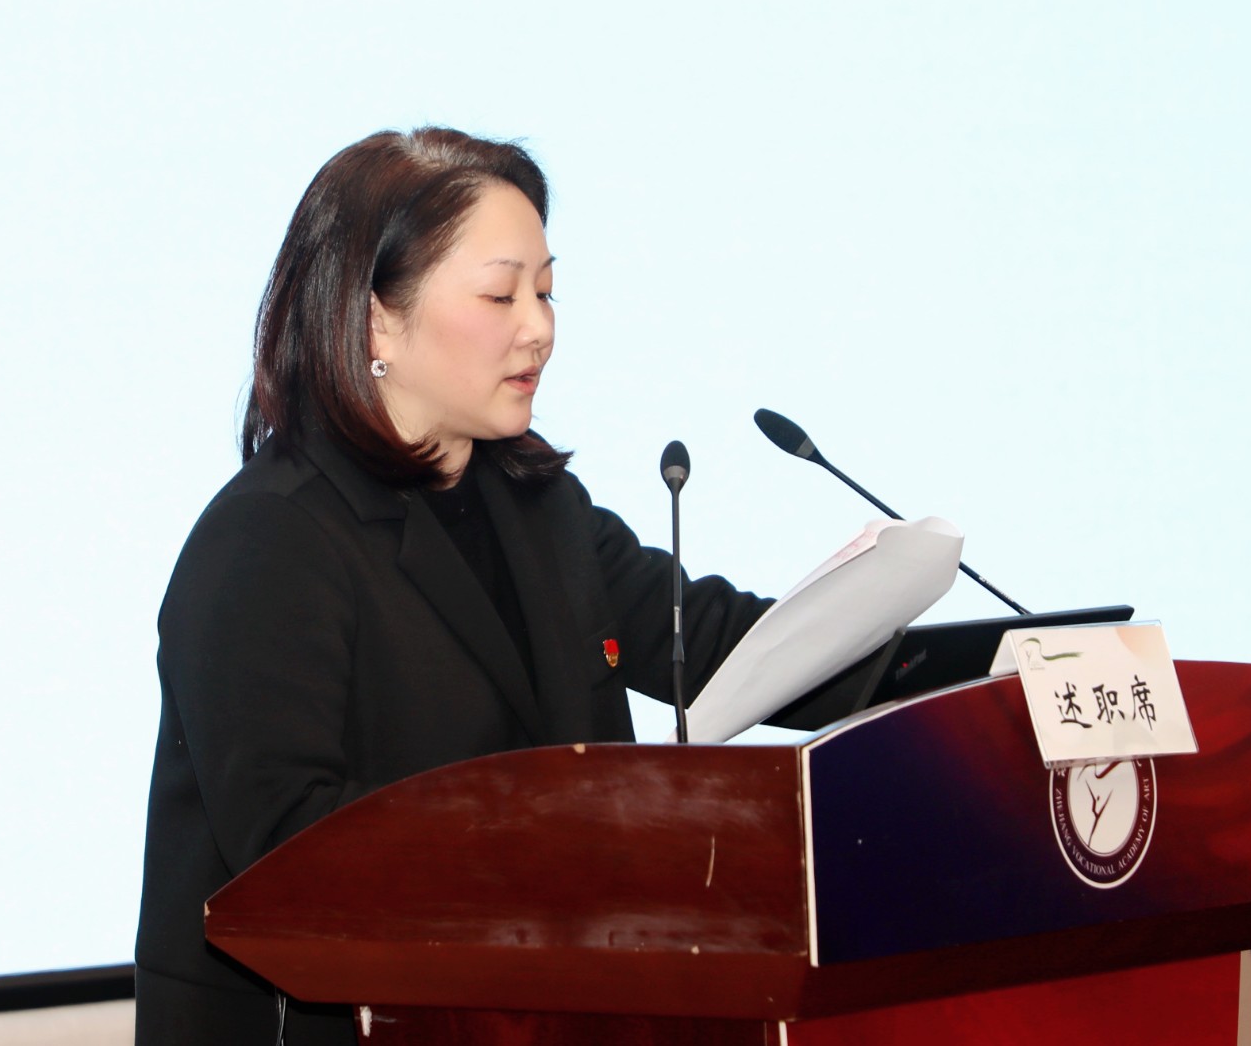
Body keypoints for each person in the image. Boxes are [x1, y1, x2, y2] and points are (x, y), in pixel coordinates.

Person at [133, 127, 833, 1044]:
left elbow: (712, 642)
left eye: (546, 291)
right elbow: (293, 853)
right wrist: (564, 839)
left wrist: (973, 668)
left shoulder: (537, 505)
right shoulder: (270, 539)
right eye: (502, 295)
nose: (538, 327)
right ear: (378, 321)